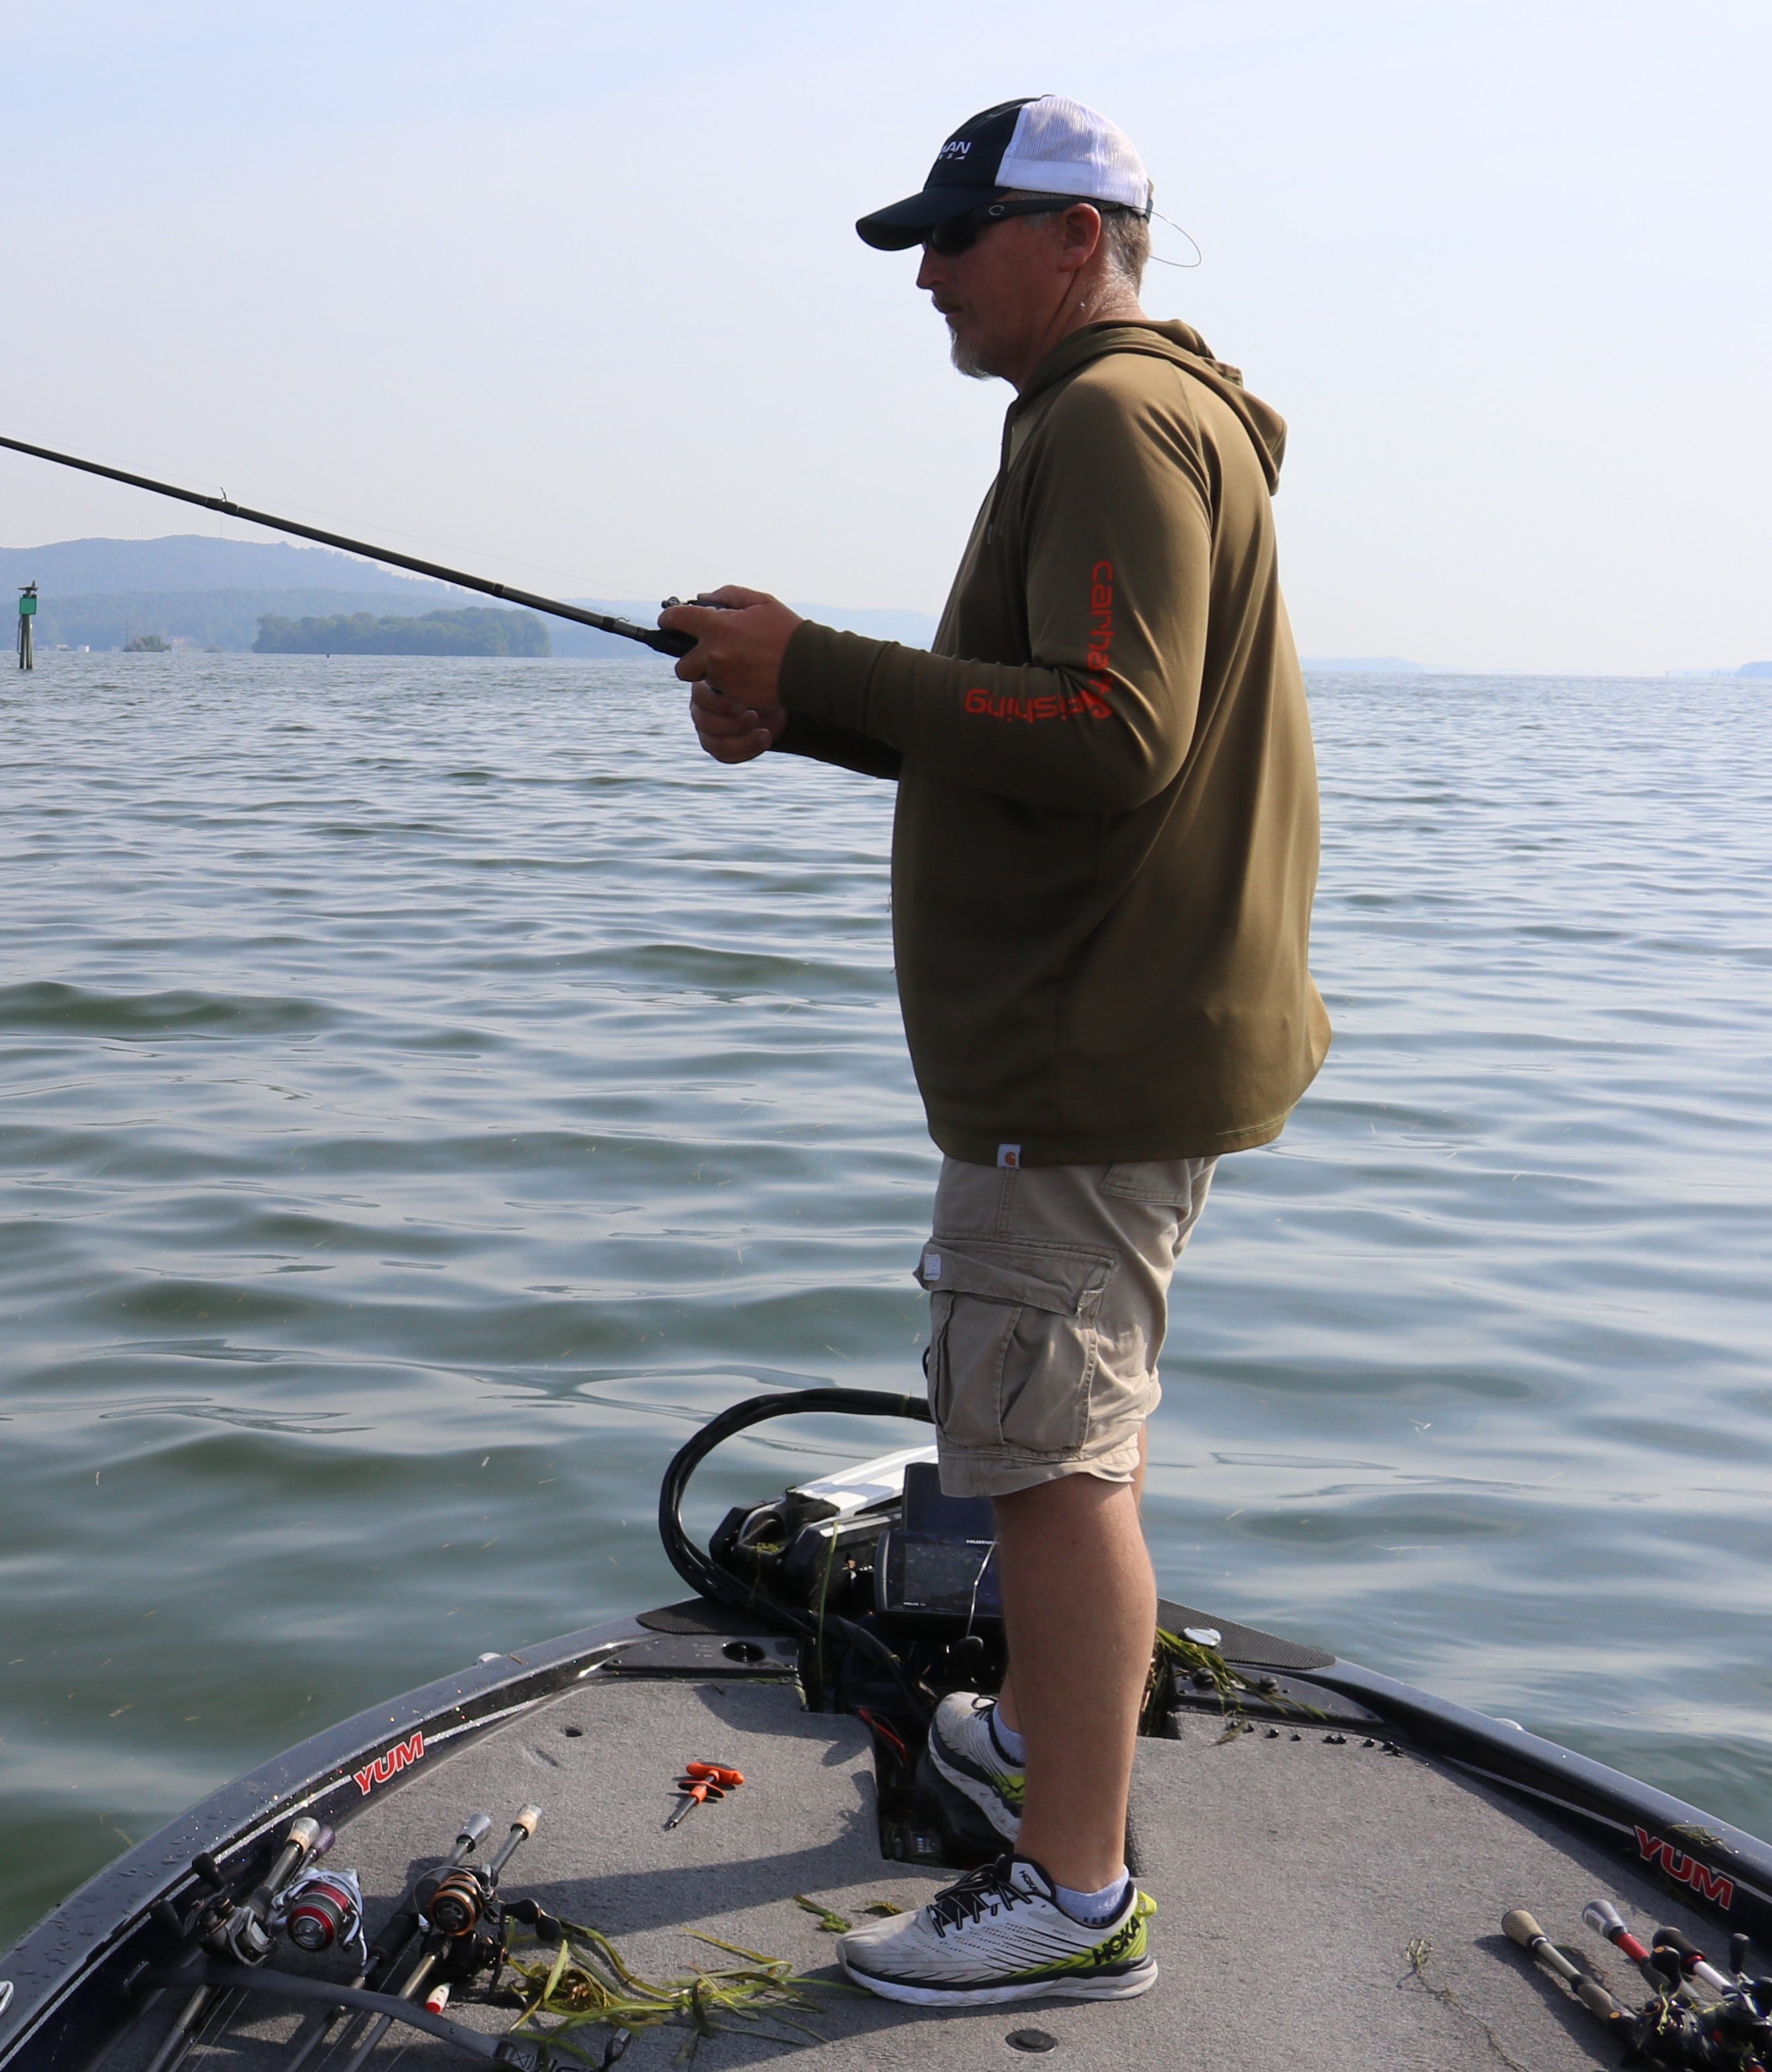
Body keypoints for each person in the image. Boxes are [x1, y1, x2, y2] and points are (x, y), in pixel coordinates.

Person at [663, 94, 1328, 2008]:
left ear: (1071, 240)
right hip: (1112, 1029)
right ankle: (1049, 1752)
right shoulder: (1129, 415)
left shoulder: (1116, 417)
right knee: (1056, 1433)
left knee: (1050, 1460)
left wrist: (822, 666)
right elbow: (1035, 714)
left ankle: (1074, 1888)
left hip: (1087, 1051)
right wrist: (792, 702)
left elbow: (1113, 731)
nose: (931, 275)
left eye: (957, 238)